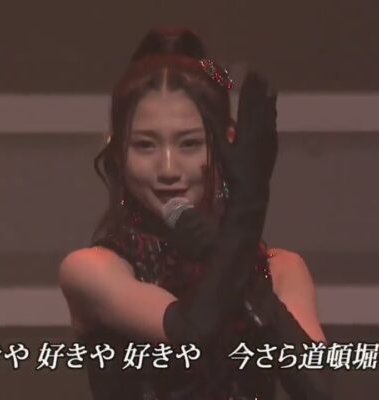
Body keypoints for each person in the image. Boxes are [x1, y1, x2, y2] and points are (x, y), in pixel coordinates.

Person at [59, 27, 331, 400]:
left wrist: (238, 255)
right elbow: (191, 333)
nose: (168, 168)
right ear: (118, 152)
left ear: (226, 146)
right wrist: (244, 213)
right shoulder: (93, 269)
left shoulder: (282, 268)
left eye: (189, 144)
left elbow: (320, 389)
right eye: (145, 145)